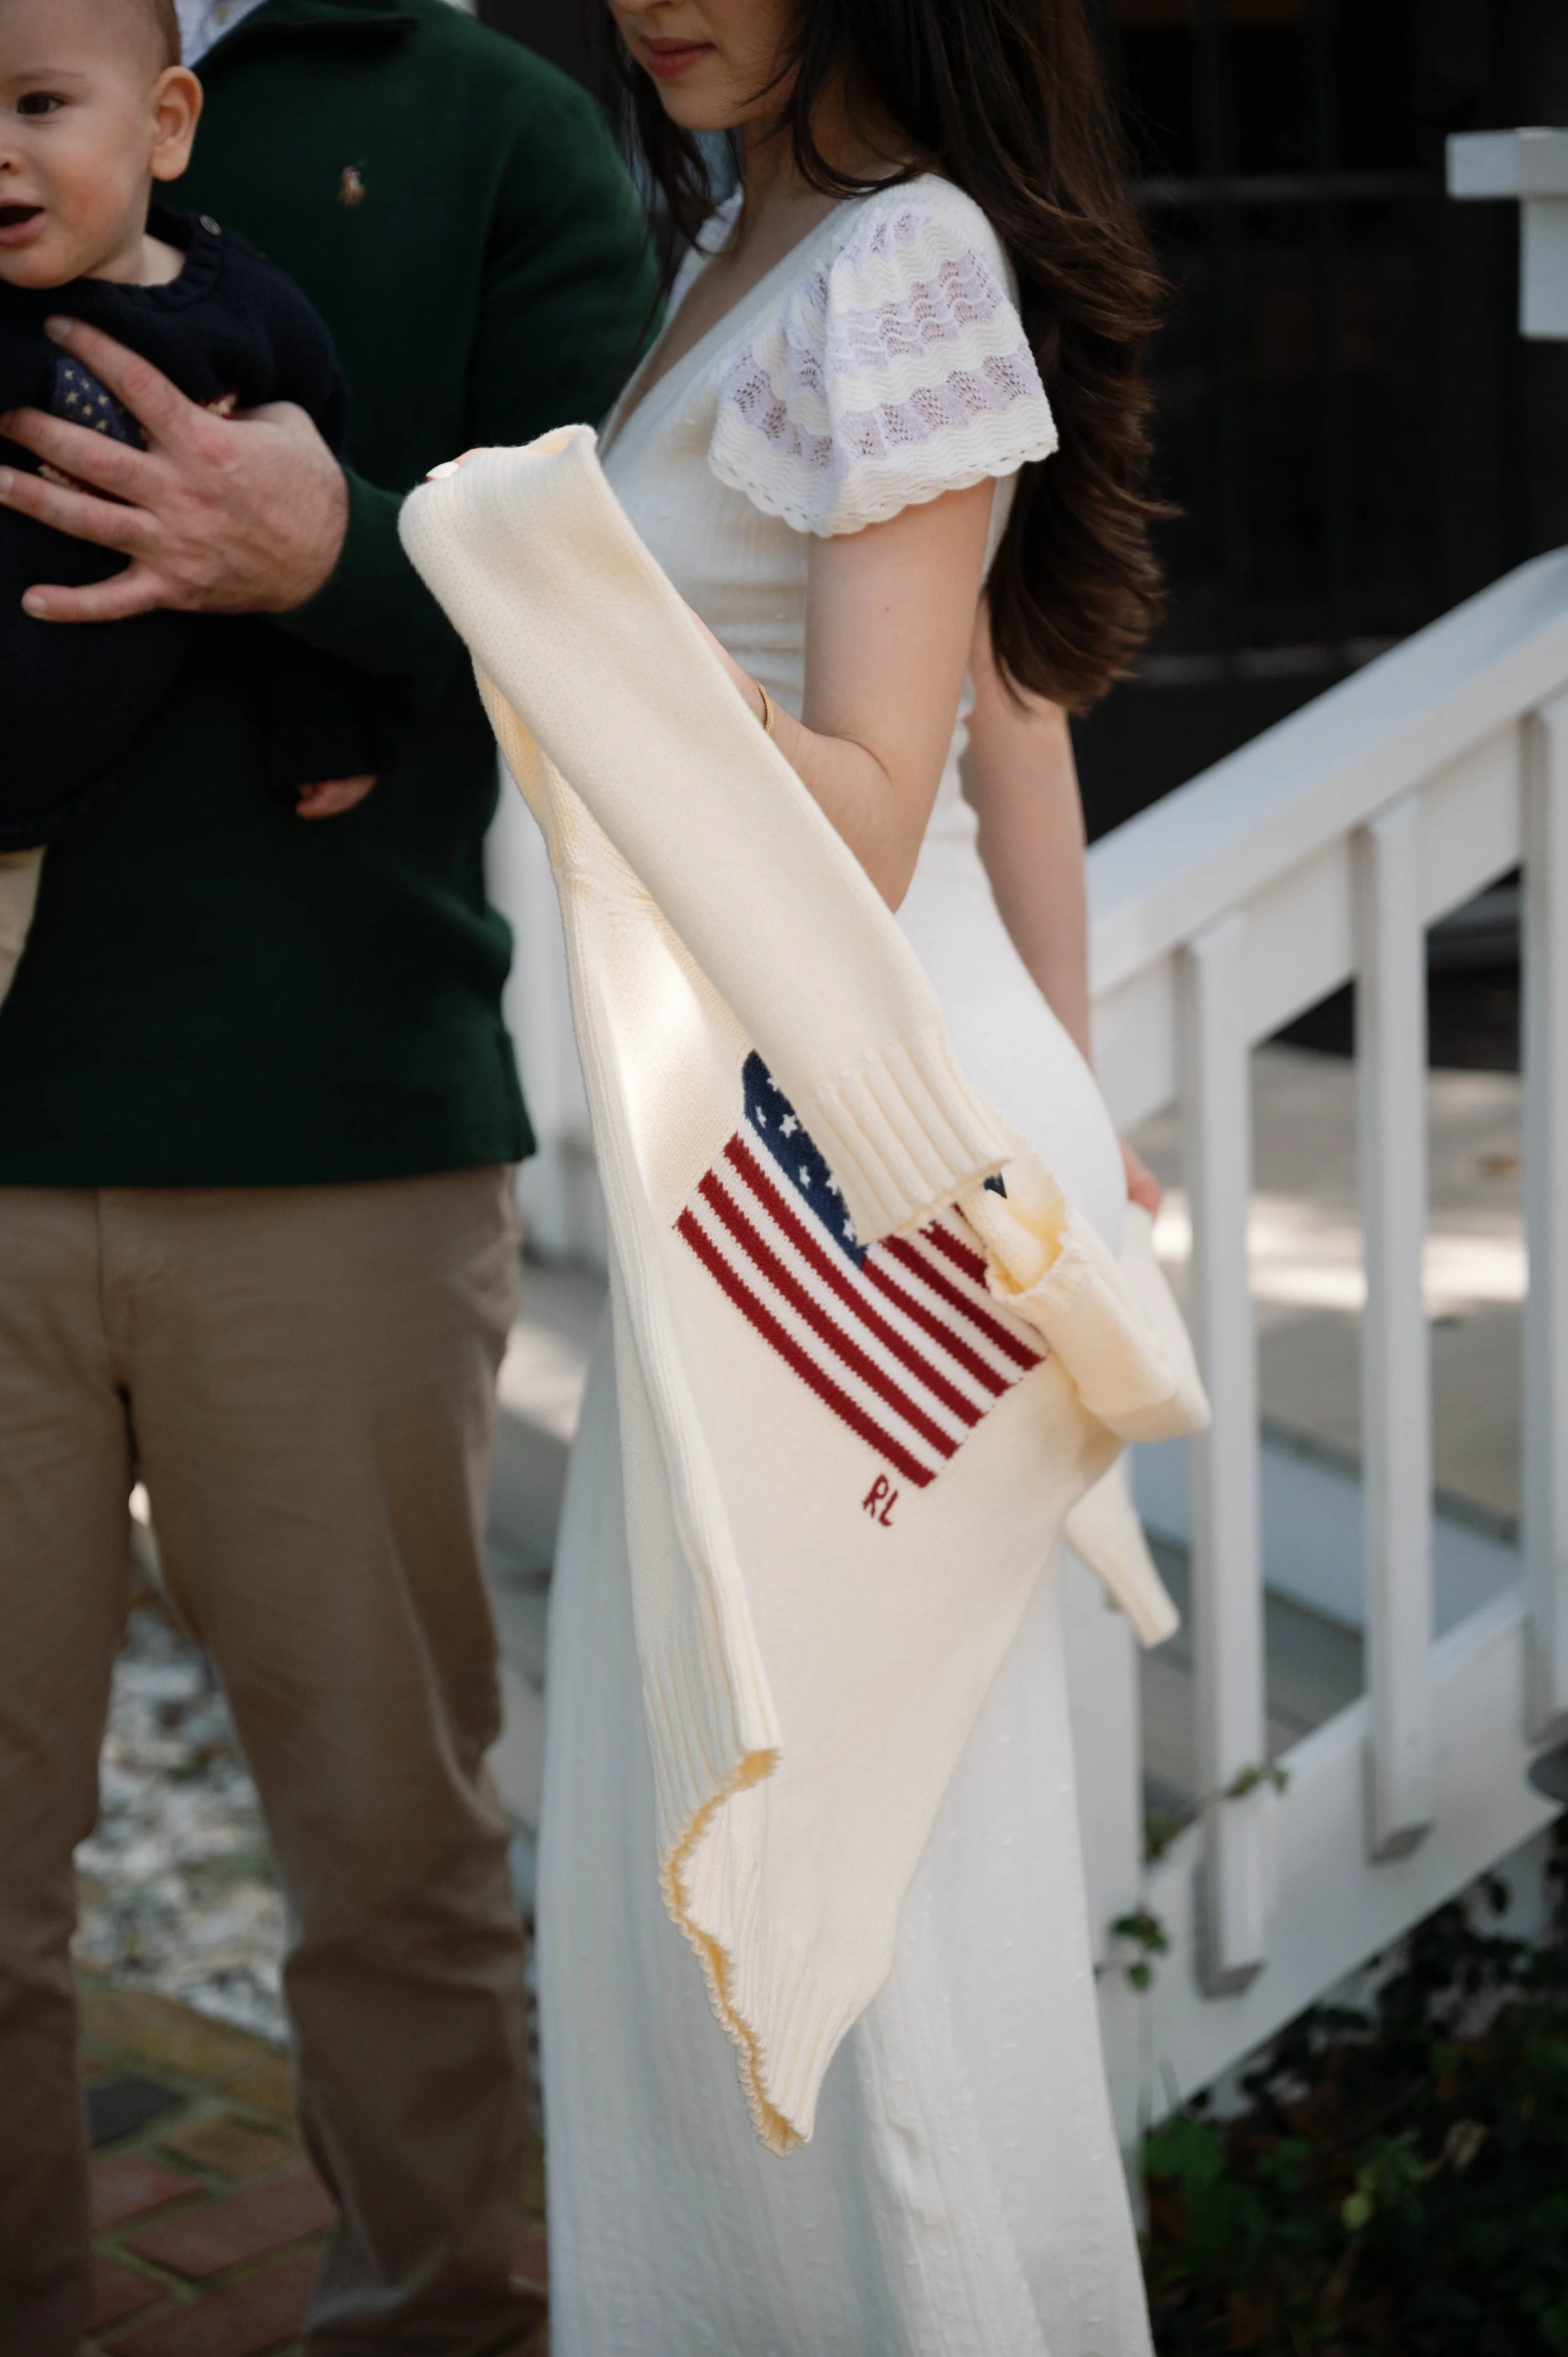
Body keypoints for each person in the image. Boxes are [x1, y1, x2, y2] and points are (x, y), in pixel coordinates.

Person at [0, 1, 655, 2351]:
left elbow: (655, 632)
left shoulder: (488, 123)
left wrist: (333, 552)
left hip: (333, 1161)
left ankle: (434, 2318)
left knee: (389, 1858)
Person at [528, 0, 1170, 2348]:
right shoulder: (744, 242)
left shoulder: (899, 264)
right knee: (736, 1852)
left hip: (835, 1170)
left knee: (827, 1880)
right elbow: (1020, 714)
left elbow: (883, 792)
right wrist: (1081, 1107)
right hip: (790, 1139)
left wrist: (517, 579)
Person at [0, 0, 390, 1008]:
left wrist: (321, 721)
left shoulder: (249, 322)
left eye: (38, 104)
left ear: (165, 124)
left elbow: (286, 545)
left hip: (24, 807)